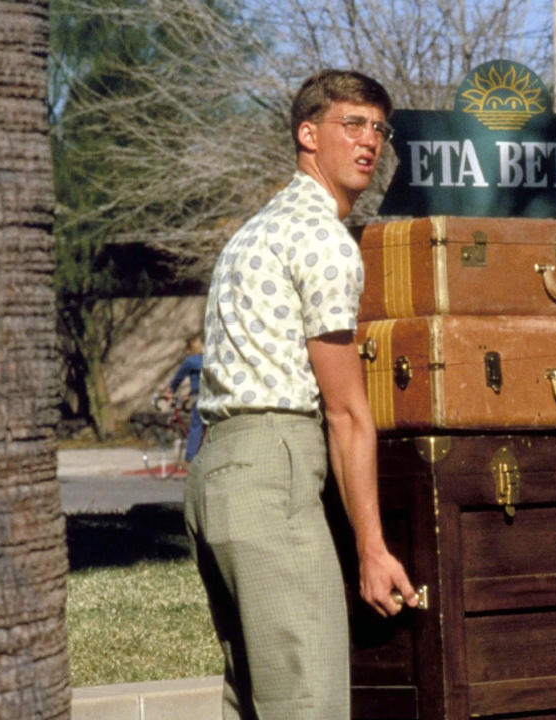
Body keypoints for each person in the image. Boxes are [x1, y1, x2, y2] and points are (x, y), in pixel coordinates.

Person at [185, 69, 416, 720]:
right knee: (306, 703)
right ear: (307, 134)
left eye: (378, 128)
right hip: (272, 469)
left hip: (215, 478)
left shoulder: (255, 230)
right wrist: (372, 550)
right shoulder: (321, 239)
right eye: (352, 124)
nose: (369, 140)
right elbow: (345, 413)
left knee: (257, 703)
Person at [163, 336, 204, 464]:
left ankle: (190, 460)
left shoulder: (190, 361)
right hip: (210, 395)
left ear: (189, 349)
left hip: (199, 397)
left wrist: (170, 391)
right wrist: (189, 394)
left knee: (196, 425)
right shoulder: (209, 359)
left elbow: (178, 378)